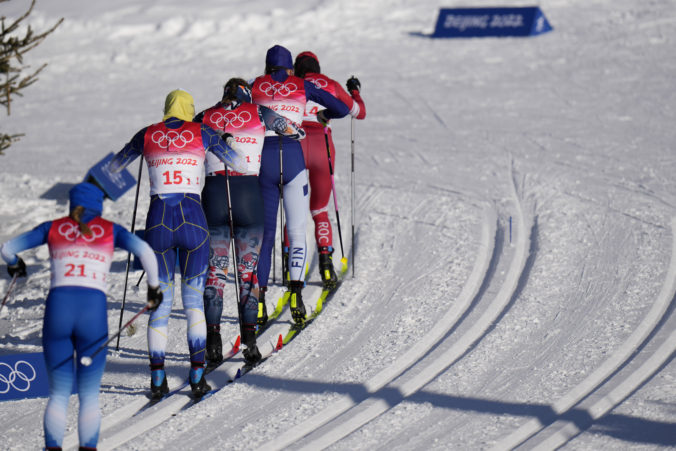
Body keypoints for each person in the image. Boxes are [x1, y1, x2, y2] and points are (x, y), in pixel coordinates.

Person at [0, 182, 161, 451]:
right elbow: (145, 251)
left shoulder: (52, 227)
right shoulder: (111, 230)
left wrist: (16, 263)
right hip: (92, 314)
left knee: (59, 394)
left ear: (71, 204)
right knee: (88, 396)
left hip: (58, 312)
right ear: (99, 206)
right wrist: (153, 289)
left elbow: (7, 247)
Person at [108, 89, 247, 399]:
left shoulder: (147, 134)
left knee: (160, 305)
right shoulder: (203, 131)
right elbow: (237, 162)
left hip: (157, 224)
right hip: (193, 222)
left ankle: (157, 380)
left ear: (166, 109)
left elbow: (114, 168)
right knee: (193, 302)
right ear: (190, 109)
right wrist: (227, 143)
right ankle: (197, 376)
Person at [194, 78, 305, 365]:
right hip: (248, 195)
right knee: (248, 273)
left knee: (215, 273)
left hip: (214, 194)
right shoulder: (257, 112)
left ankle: (214, 342)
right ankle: (251, 343)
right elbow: (294, 131)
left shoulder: (204, 116)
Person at [251, 44, 350, 325]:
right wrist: (323, 116)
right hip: (293, 160)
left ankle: (258, 303)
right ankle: (296, 295)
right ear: (290, 69)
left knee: (267, 235)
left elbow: (234, 111)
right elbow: (341, 108)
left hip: (264, 161)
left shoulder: (255, 85)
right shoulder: (300, 84)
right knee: (296, 229)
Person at [293, 51, 366, 288]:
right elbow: (359, 112)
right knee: (319, 209)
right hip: (322, 146)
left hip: (295, 144)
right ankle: (326, 265)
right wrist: (354, 90)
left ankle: (289, 266)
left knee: (292, 209)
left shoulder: (292, 84)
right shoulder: (331, 84)